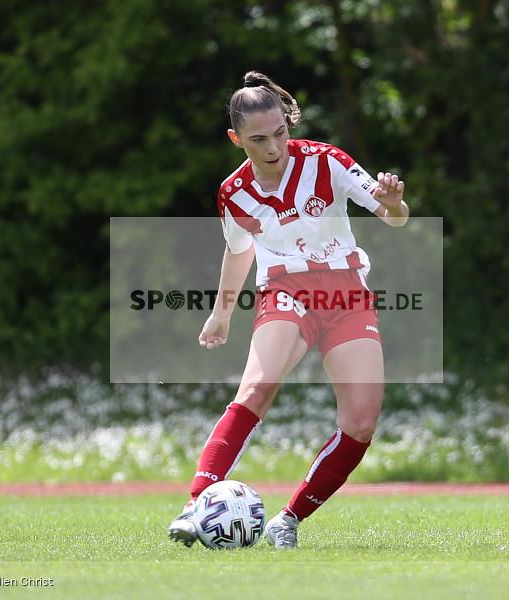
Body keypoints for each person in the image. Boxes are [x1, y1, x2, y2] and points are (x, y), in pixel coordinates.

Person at [167, 71, 409, 549]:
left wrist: (396, 205)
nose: (274, 146)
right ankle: (197, 507)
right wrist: (222, 312)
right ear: (236, 139)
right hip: (284, 291)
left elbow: (393, 217)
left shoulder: (327, 161)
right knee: (256, 388)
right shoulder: (234, 192)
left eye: (280, 132)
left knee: (361, 423)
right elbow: (239, 251)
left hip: (345, 294)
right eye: (258, 139)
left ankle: (289, 519)